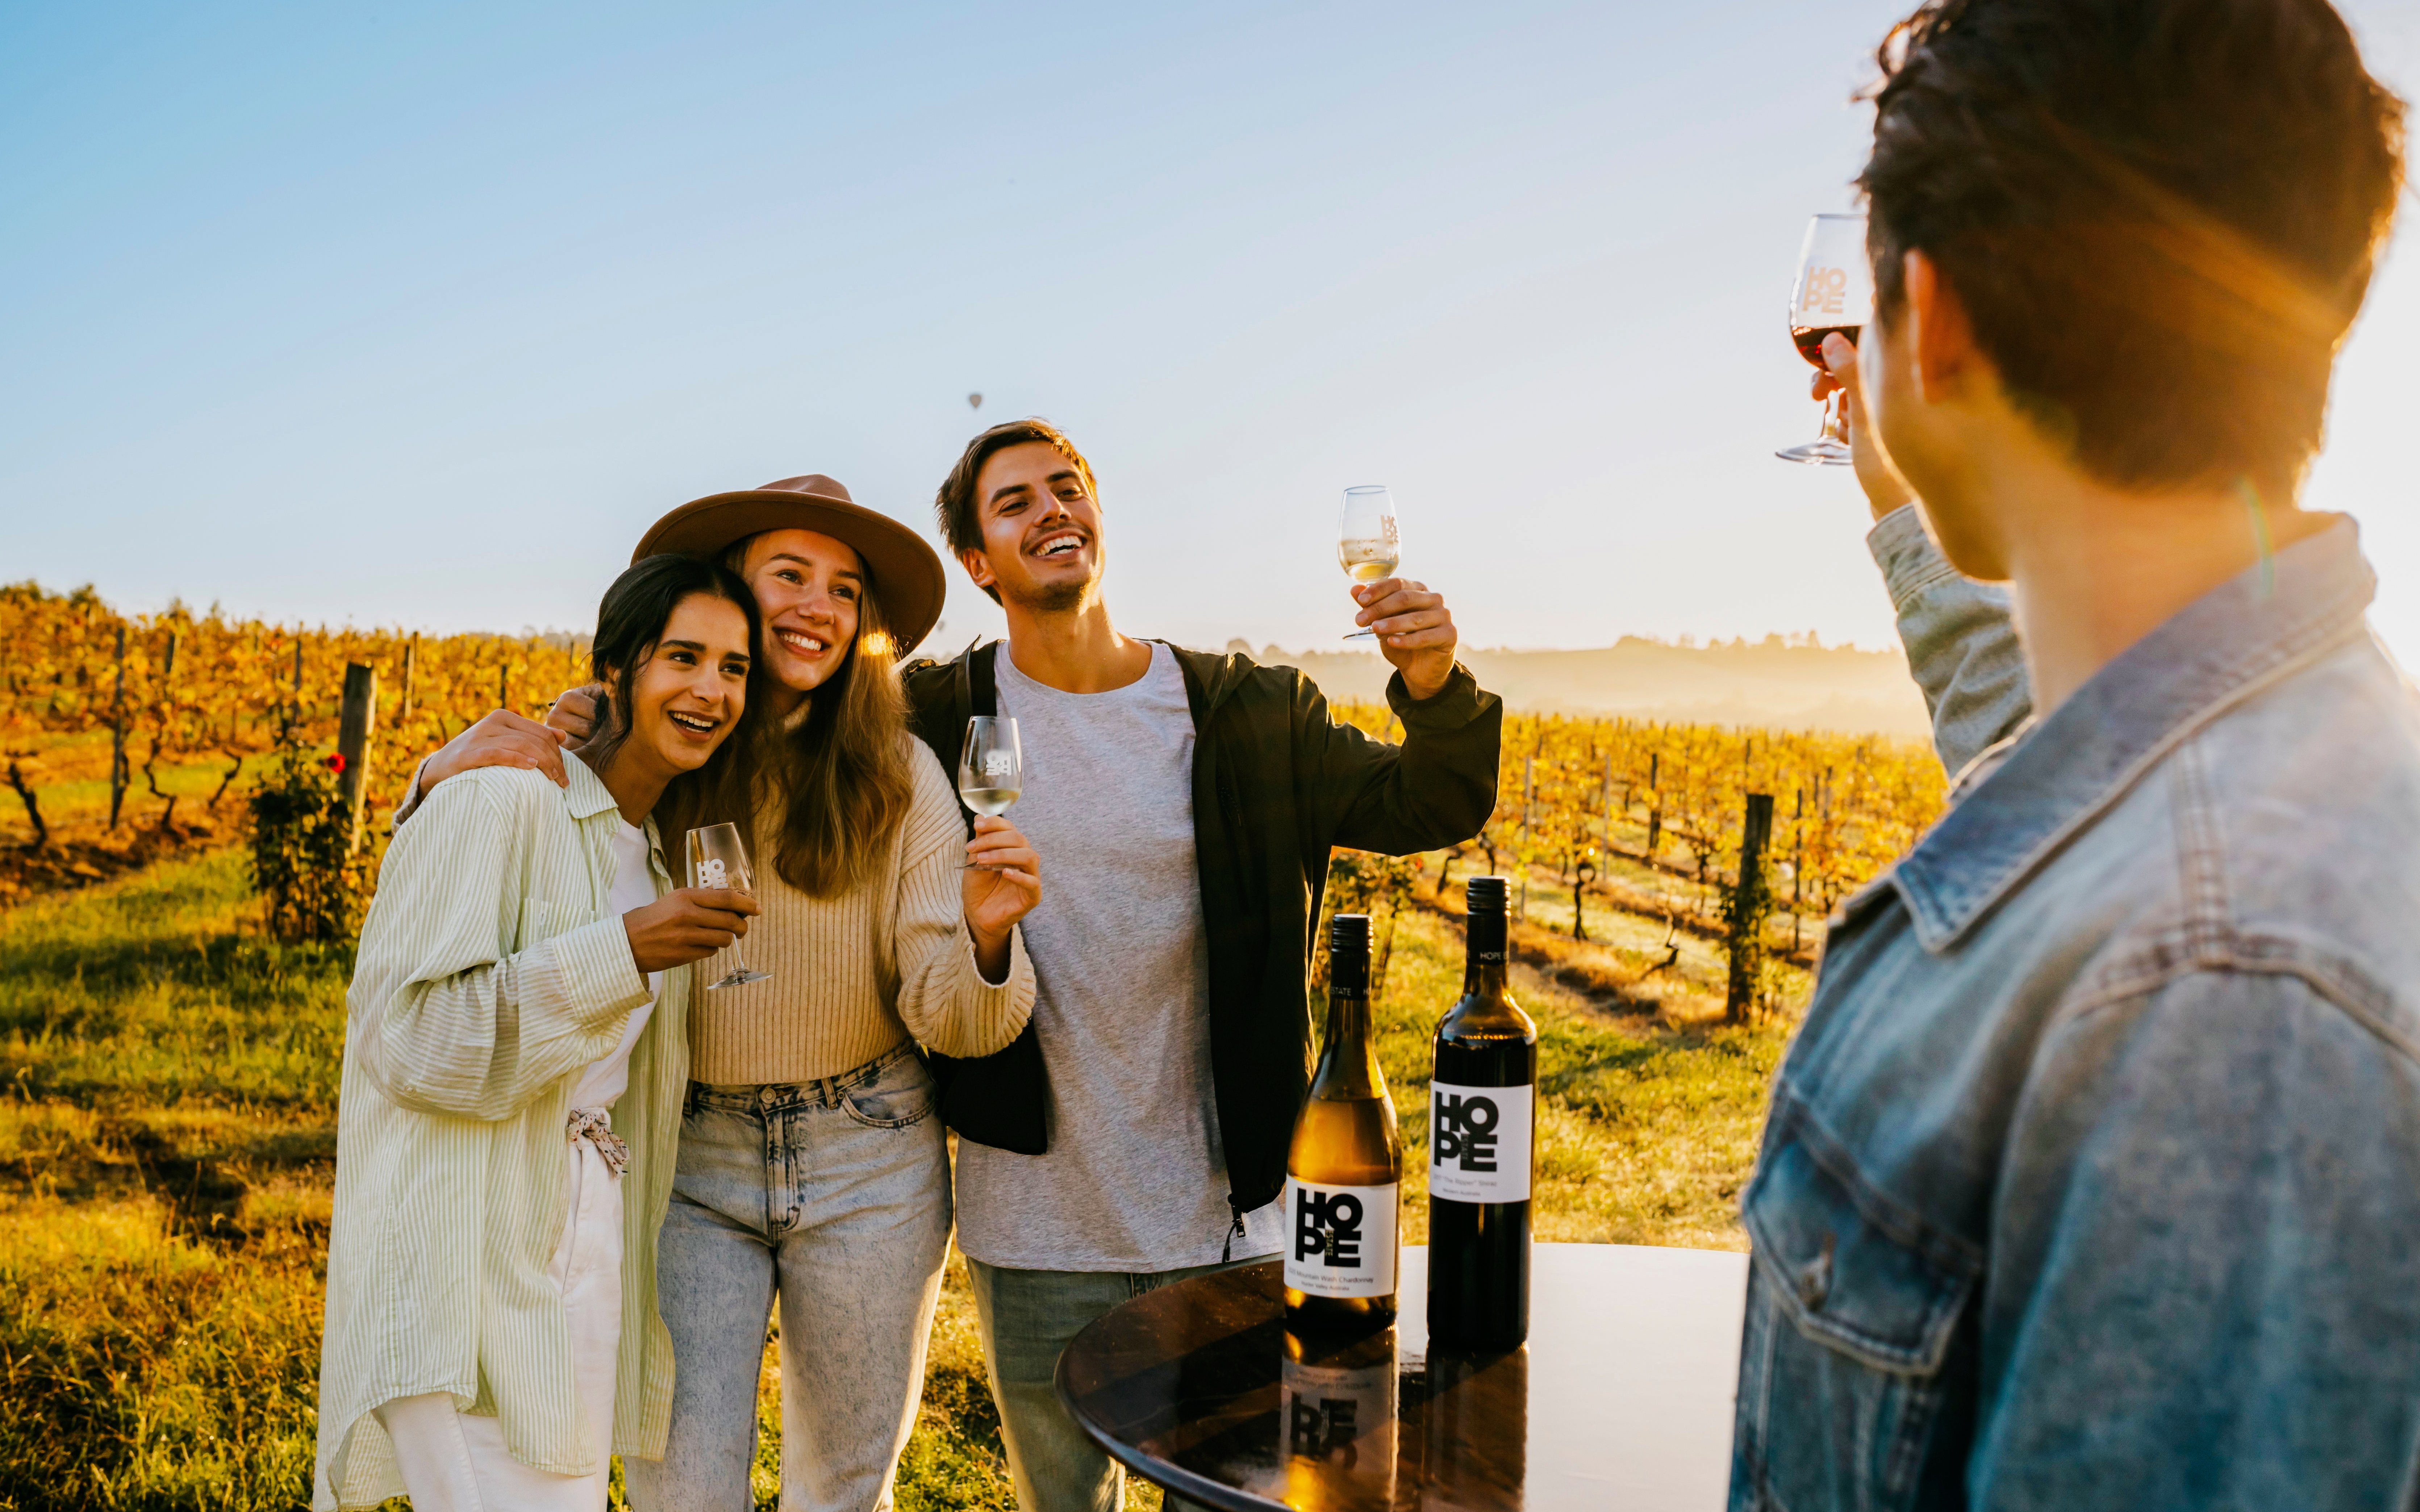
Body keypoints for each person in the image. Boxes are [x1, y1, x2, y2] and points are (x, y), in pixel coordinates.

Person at [1730, 2, 2415, 1509]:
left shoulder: (2217, 988)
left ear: (1935, 314)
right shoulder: (2246, 762)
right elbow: (2042, 744)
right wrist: (1906, 488)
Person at [400, 476, 1045, 1511]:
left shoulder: (900, 772)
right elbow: (499, 845)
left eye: (845, 590)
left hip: (871, 1154)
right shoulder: (649, 748)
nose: (818, 606)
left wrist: (986, 939)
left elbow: (952, 1020)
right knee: (683, 1493)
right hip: (683, 1155)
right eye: (790, 574)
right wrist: (433, 776)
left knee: (845, 1490)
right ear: (728, 593)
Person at [907, 419, 1501, 1512]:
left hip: (1227, 1225)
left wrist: (1435, 682)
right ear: (978, 563)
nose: (1052, 510)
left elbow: (1433, 802)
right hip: (1034, 1224)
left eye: (1067, 487)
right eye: (1015, 501)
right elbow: (774, 740)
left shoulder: (1247, 714)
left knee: (1229, 1502)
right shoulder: (936, 719)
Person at [314, 553, 763, 1511]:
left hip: (583, 1238)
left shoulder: (648, 848)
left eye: (734, 668)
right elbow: (409, 1038)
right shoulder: (504, 794)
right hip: (469, 1257)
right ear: (616, 670)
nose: (712, 690)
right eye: (684, 657)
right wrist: (622, 953)